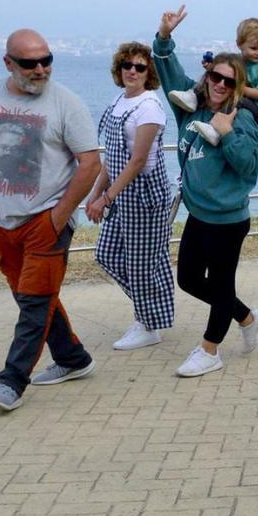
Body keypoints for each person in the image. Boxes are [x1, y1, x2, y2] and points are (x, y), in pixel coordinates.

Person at [0, 29, 102, 411]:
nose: (41, 69)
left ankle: (11, 382)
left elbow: (90, 162)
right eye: (30, 63)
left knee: (34, 301)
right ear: (8, 63)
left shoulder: (67, 103)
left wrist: (58, 218)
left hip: (47, 220)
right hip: (1, 219)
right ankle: (74, 358)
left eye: (47, 60)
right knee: (28, 295)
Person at [155, 5, 258, 377]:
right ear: (207, 79)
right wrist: (164, 37)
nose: (220, 85)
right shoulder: (190, 111)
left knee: (221, 284)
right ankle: (248, 317)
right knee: (188, 278)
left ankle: (210, 350)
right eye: (216, 78)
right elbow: (168, 71)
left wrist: (226, 133)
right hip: (198, 215)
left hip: (228, 219)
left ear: (237, 87)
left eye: (229, 82)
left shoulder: (244, 120)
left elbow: (249, 168)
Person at [85, 42, 176, 350]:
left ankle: (148, 324)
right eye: (127, 66)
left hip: (144, 194)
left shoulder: (150, 107)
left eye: (139, 67)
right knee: (108, 255)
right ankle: (152, 309)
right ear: (119, 69)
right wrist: (95, 192)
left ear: (148, 72)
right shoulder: (119, 101)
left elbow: (137, 161)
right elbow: (113, 155)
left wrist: (105, 198)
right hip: (121, 192)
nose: (132, 72)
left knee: (141, 263)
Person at [168, 17, 258, 140]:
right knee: (211, 78)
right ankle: (193, 97)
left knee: (234, 102)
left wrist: (239, 88)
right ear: (239, 44)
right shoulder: (236, 60)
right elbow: (223, 74)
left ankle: (216, 130)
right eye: (254, 48)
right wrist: (210, 68)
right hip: (242, 97)